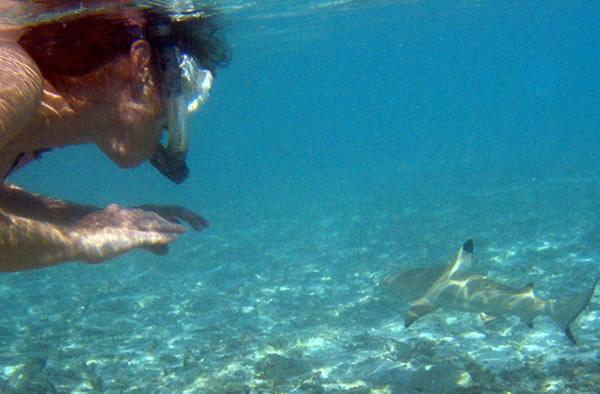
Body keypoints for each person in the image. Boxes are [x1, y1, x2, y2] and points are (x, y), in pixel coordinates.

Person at [0, 1, 229, 272]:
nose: (171, 122)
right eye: (181, 84)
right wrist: (80, 242)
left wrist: (90, 220)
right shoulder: (14, 82)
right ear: (141, 64)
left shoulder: (31, 132)